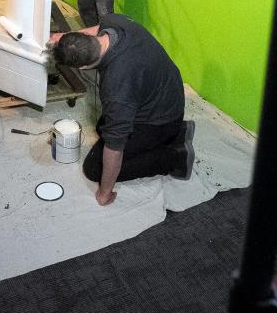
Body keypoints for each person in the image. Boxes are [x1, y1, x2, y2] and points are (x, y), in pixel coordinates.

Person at [50, 13, 195, 206]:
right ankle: (177, 133)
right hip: (166, 94)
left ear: (83, 67)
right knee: (104, 127)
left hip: (159, 120)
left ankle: (175, 157)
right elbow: (94, 28)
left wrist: (104, 192)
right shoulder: (116, 23)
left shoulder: (117, 86)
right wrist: (64, 39)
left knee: (95, 168)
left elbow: (115, 148)